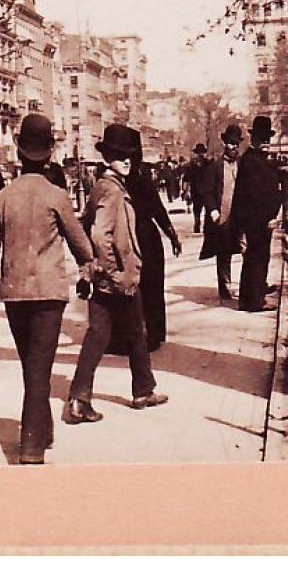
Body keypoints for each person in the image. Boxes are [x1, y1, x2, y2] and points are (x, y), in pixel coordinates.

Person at [0, 114, 96, 465]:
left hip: (14, 294)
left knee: (32, 364)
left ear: (18, 150)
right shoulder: (56, 196)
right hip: (49, 293)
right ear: (50, 152)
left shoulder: (2, 198)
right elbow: (81, 245)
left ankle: (43, 429)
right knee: (39, 369)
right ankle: (31, 446)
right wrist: (90, 270)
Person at [66, 125, 169, 425]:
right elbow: (100, 235)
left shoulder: (106, 184)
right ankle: (96, 396)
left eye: (130, 156)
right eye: (120, 155)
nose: (127, 160)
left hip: (108, 275)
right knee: (118, 332)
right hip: (115, 277)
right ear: (108, 156)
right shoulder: (111, 190)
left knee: (125, 331)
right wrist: (114, 273)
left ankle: (133, 390)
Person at [127, 141, 183, 349]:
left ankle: (147, 335)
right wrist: (172, 235)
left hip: (140, 236)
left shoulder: (128, 180)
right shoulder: (142, 177)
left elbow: (158, 209)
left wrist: (173, 235)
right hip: (147, 236)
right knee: (152, 287)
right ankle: (154, 333)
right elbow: (158, 210)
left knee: (145, 287)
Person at [232, 115, 283, 313]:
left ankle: (251, 296)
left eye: (268, 138)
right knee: (257, 258)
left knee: (257, 257)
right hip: (257, 220)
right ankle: (254, 301)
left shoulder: (258, 160)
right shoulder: (252, 161)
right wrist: (269, 217)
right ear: (253, 139)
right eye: (262, 138)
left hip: (258, 219)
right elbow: (256, 195)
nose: (266, 142)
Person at [197, 126, 243, 301]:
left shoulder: (241, 165)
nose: (234, 147)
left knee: (246, 248)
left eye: (236, 144)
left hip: (240, 214)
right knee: (224, 252)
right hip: (222, 216)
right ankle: (225, 286)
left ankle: (250, 285)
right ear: (225, 144)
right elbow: (206, 191)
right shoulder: (215, 167)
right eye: (231, 143)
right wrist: (213, 211)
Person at [185, 143, 210, 234]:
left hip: (205, 190)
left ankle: (203, 224)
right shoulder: (191, 165)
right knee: (197, 208)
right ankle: (197, 222)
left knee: (206, 208)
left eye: (202, 152)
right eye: (199, 152)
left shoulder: (208, 164)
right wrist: (186, 190)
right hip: (196, 190)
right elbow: (186, 179)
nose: (201, 154)